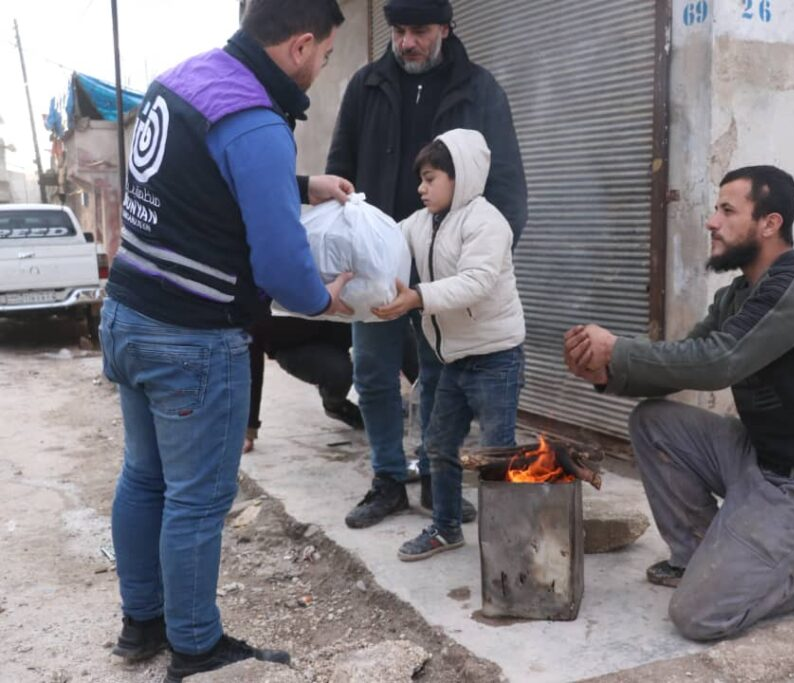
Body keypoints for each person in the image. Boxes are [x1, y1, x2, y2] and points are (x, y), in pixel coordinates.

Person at [98, 1, 353, 679]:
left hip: (128, 313)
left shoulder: (182, 80)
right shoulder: (257, 122)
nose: (321, 71)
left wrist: (302, 184)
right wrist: (326, 300)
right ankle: (193, 645)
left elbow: (195, 182)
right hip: (191, 337)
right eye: (326, 57)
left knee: (144, 476)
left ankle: (141, 623)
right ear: (301, 45)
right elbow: (279, 265)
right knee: (197, 497)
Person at [564, 166, 794, 641]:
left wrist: (619, 349)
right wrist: (606, 371)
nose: (711, 222)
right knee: (654, 422)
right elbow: (688, 360)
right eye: (715, 209)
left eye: (727, 210)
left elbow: (719, 361)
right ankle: (697, 555)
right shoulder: (738, 295)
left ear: (769, 223)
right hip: (761, 460)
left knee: (698, 616)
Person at [326, 0, 527, 529]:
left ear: (445, 28)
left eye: (418, 31)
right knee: (372, 370)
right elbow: (338, 170)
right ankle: (388, 479)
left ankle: (437, 483)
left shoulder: (480, 90)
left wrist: (489, 256)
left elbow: (506, 181)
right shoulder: (366, 86)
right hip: (377, 264)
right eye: (398, 31)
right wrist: (340, 249)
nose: (407, 42)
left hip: (447, 267)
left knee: (442, 378)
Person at [373, 130, 526, 560]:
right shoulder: (421, 224)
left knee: (496, 454)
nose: (421, 188)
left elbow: (476, 282)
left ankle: (508, 543)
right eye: (420, 180)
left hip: (497, 357)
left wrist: (417, 297)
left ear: (462, 177)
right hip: (453, 359)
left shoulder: (487, 222)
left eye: (430, 178)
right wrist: (351, 218)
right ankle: (445, 529)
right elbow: (384, 238)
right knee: (439, 446)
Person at [244, 316, 362, 454]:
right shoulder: (258, 306)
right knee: (340, 372)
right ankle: (335, 404)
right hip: (293, 347)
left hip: (337, 327)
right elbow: (251, 367)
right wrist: (249, 430)